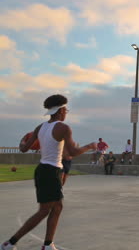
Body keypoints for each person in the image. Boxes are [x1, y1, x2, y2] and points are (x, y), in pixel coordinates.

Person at [1, 94, 96, 250]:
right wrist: (89, 146)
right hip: (51, 171)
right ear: (60, 110)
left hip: (43, 170)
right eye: (66, 110)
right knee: (44, 211)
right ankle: (10, 243)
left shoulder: (40, 127)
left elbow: (24, 148)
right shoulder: (63, 128)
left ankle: (47, 244)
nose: (66, 113)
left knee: (57, 207)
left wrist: (22, 141)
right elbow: (72, 151)